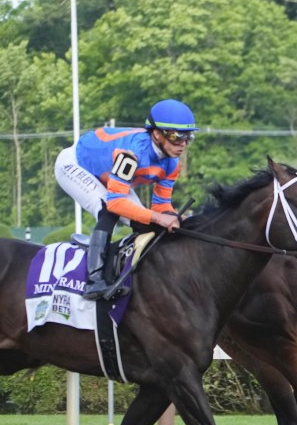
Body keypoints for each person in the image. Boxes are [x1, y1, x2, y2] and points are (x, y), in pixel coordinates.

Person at [55, 99, 198, 300]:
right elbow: (115, 202)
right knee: (108, 209)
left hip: (110, 176)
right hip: (76, 165)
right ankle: (94, 280)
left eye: (188, 137)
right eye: (176, 137)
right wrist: (159, 217)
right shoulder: (131, 154)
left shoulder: (172, 163)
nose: (182, 144)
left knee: (144, 223)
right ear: (157, 134)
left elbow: (161, 205)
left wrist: (174, 217)